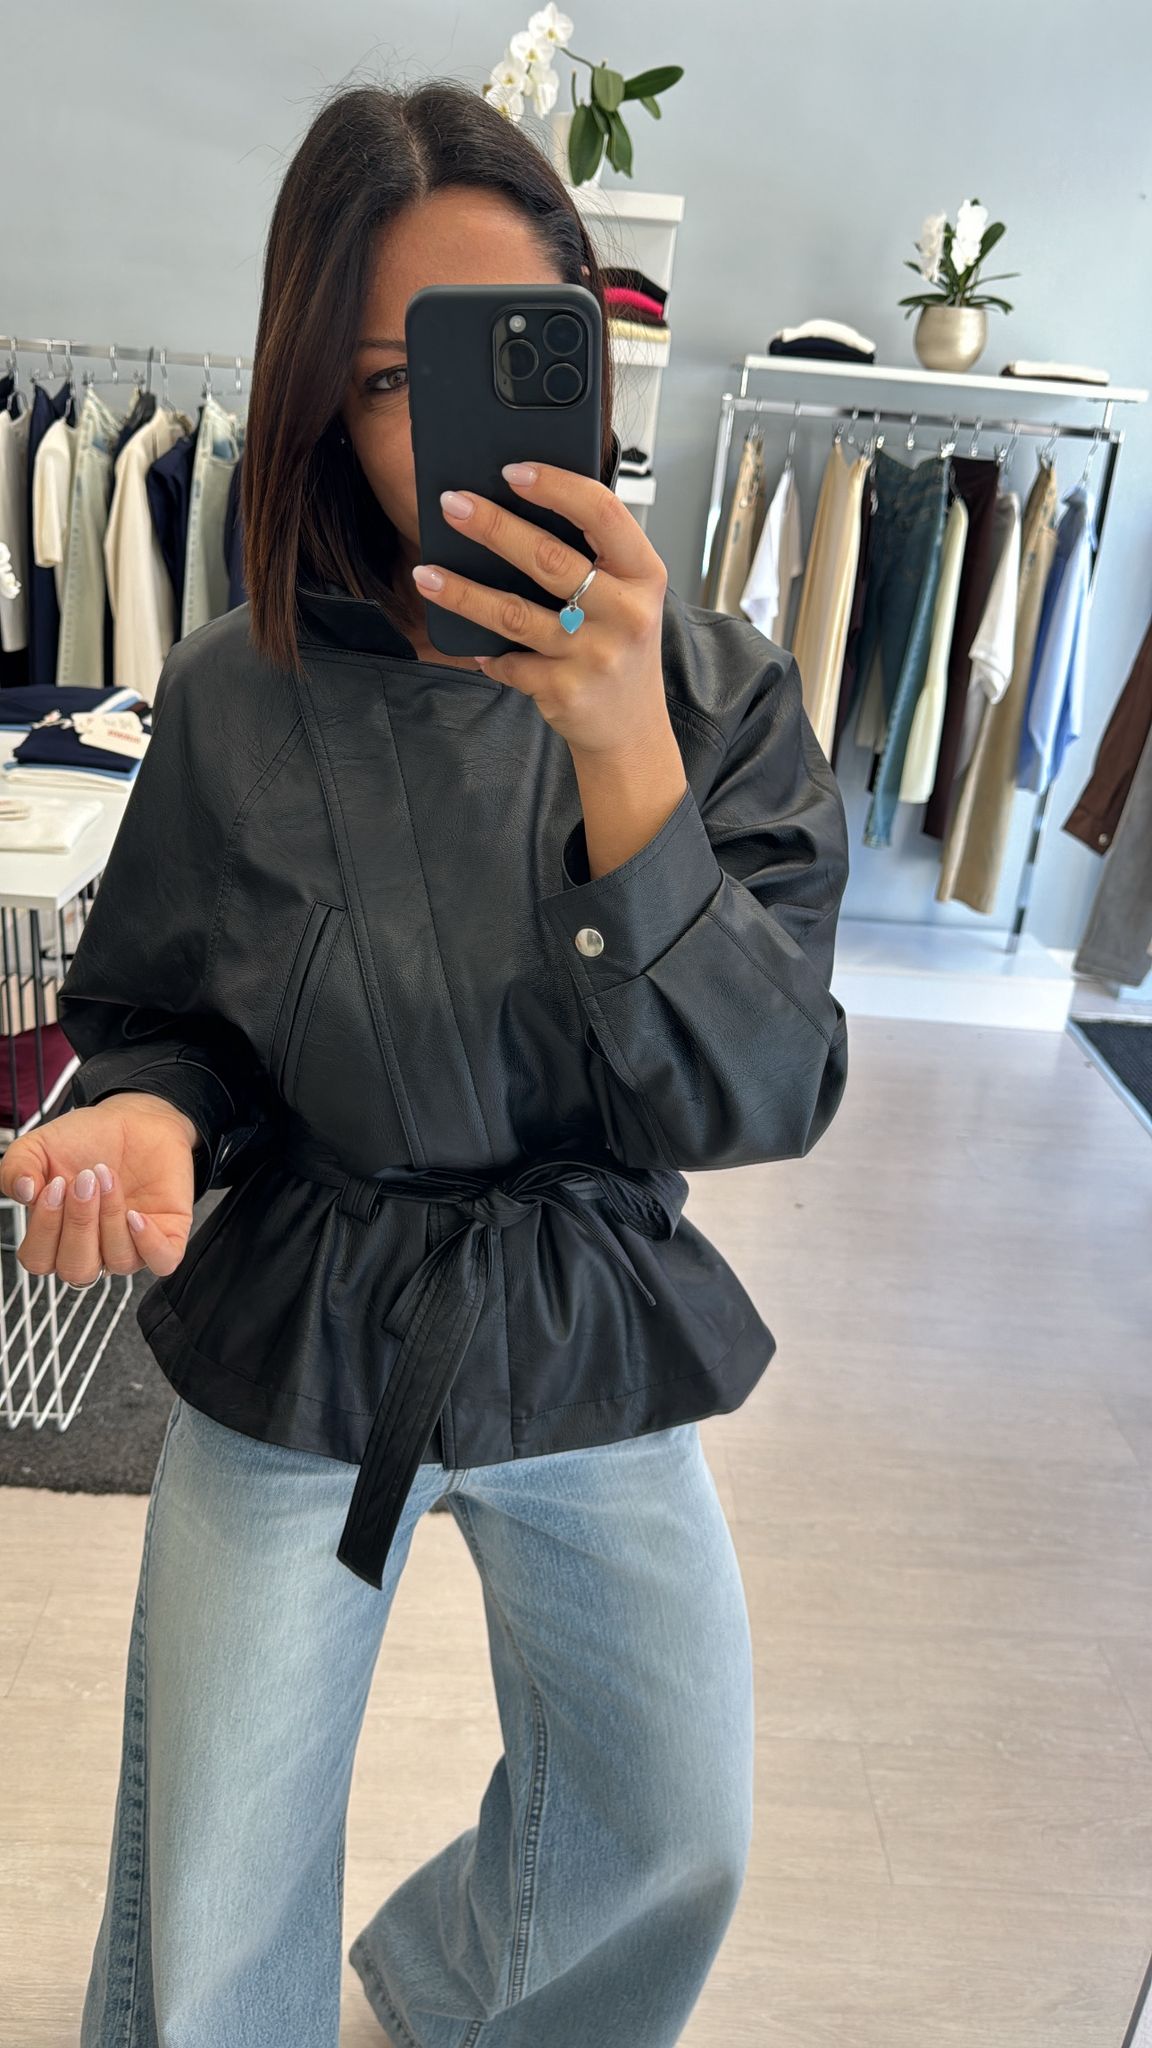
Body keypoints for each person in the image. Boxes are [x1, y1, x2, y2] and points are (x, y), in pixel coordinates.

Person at [0, 79, 851, 2048]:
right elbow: (168, 1012)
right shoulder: (236, 693)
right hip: (306, 1308)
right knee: (217, 1871)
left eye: (511, 351)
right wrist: (146, 1114)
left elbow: (760, 1090)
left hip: (577, 1299)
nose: (449, 427)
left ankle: (460, 1985)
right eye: (395, 379)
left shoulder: (719, 693)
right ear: (324, 403)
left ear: (588, 352)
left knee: (676, 1825)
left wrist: (623, 745)